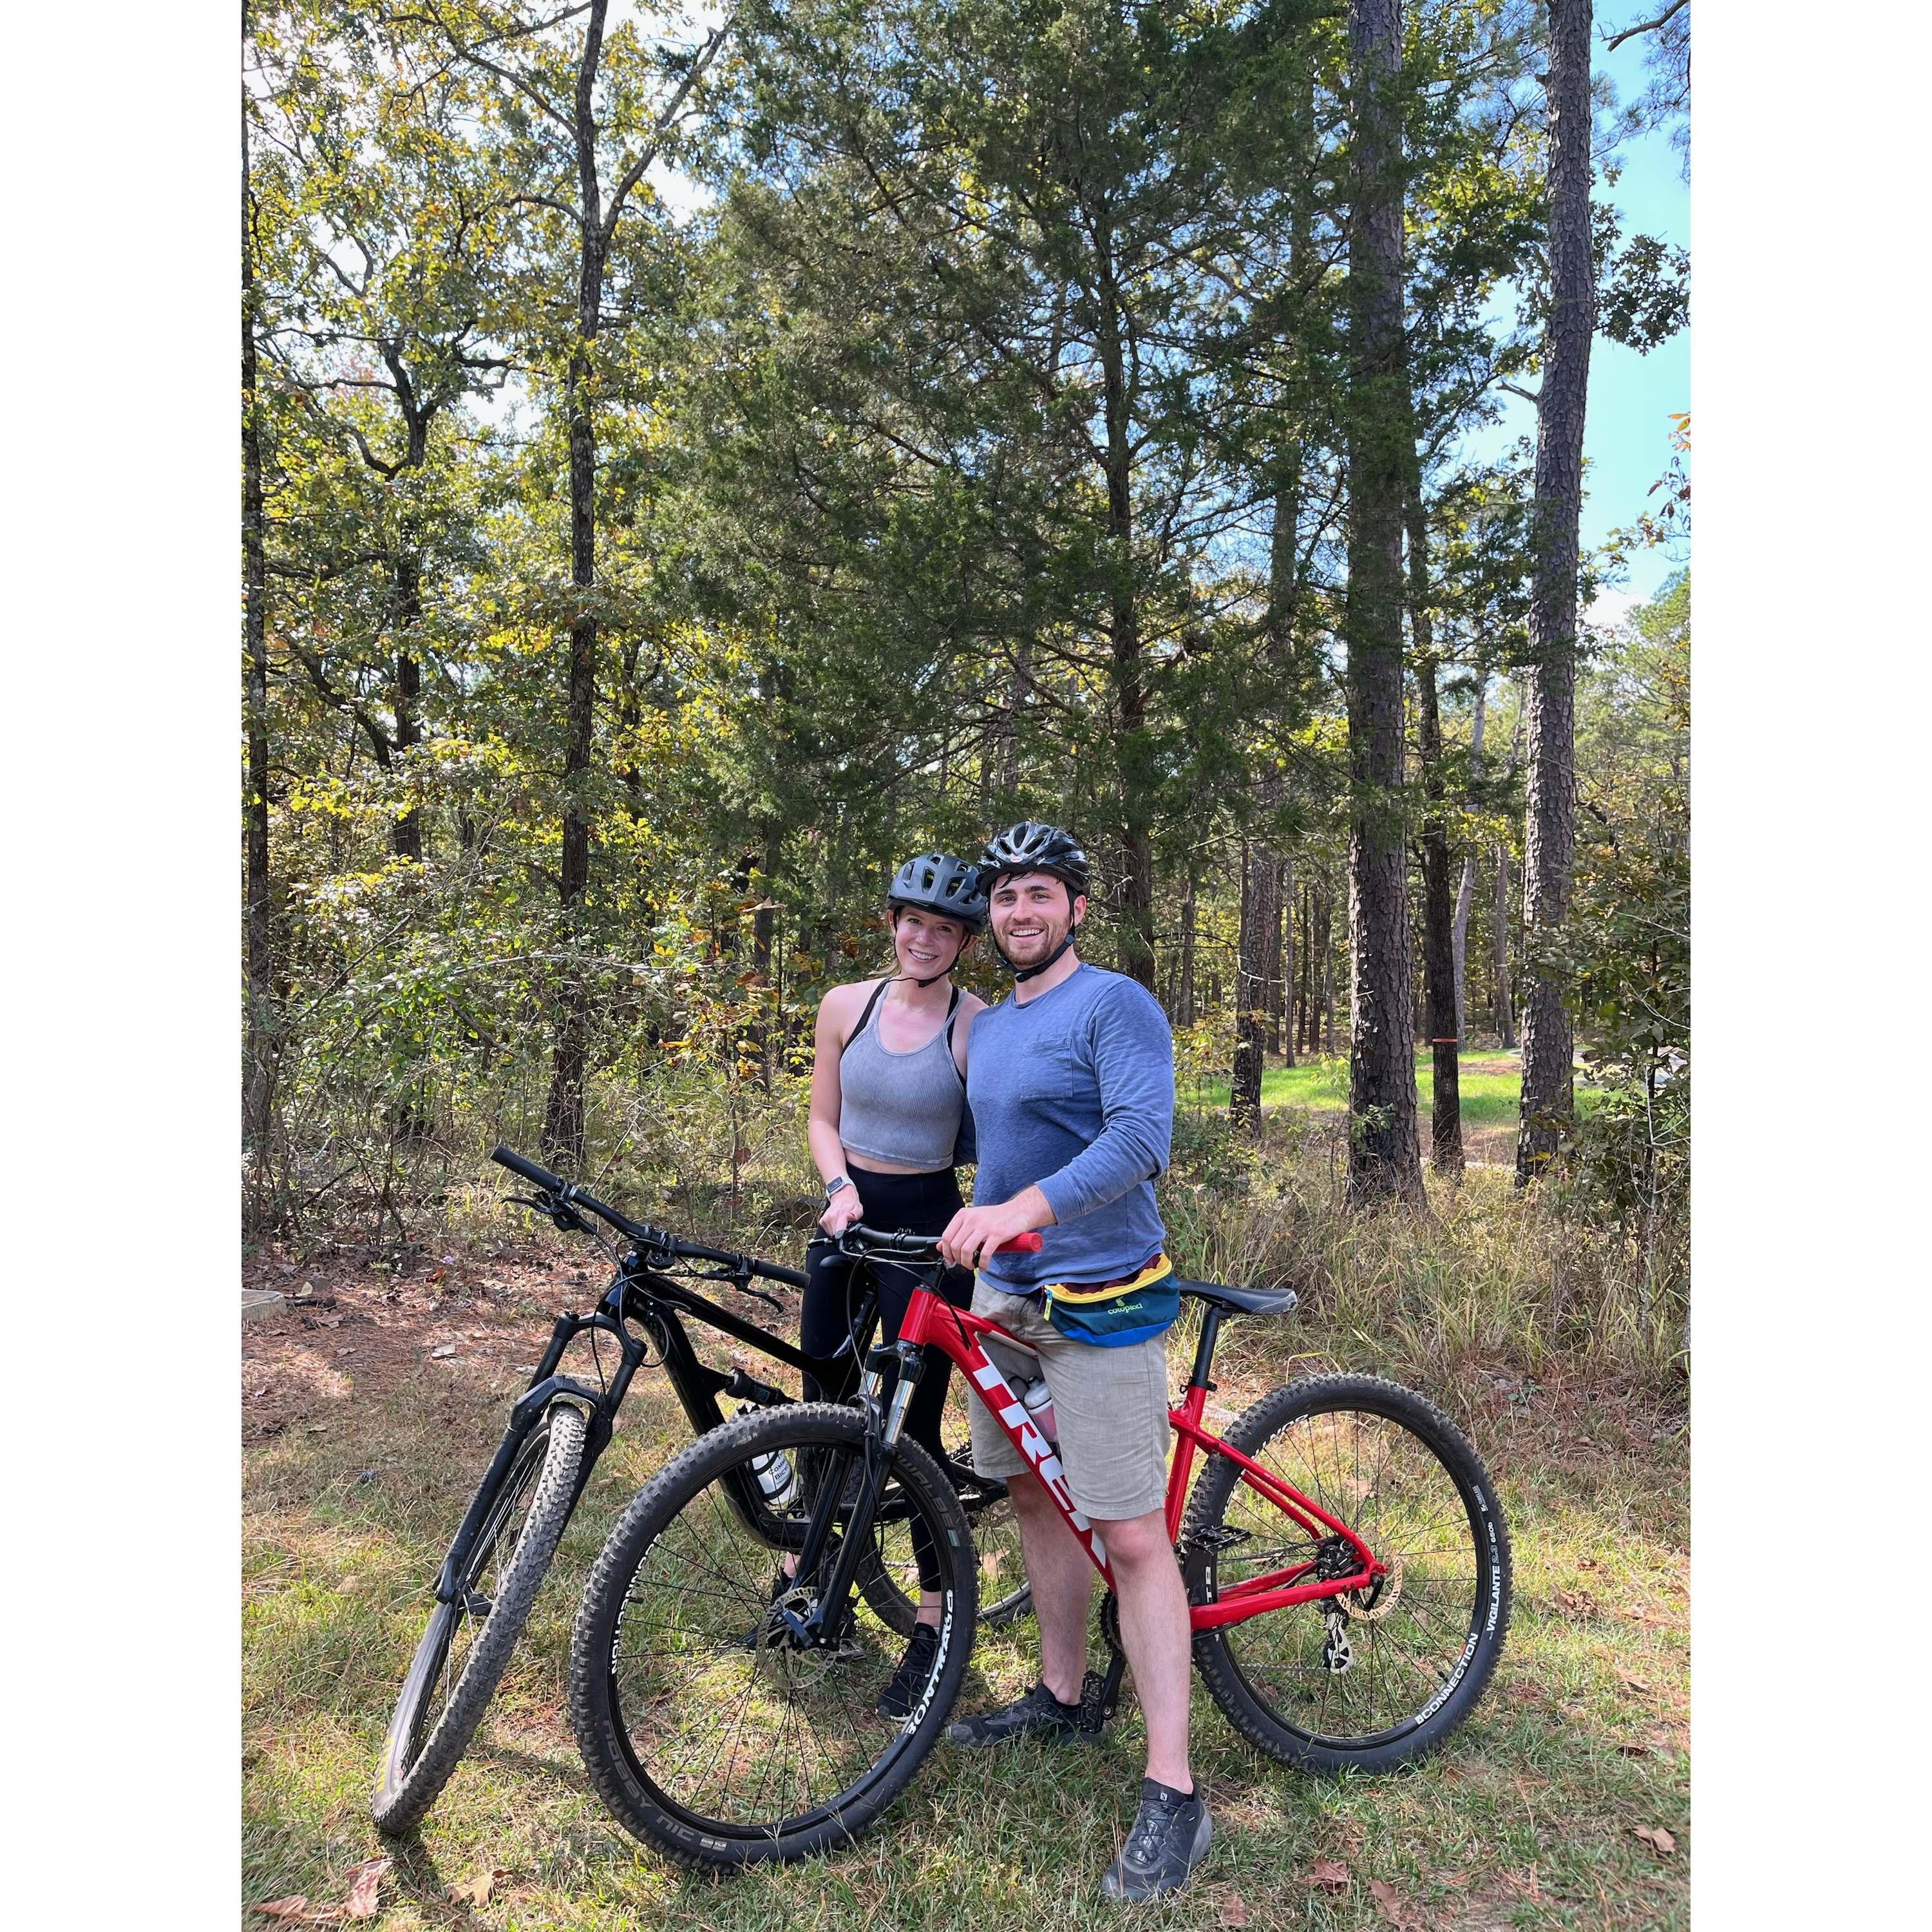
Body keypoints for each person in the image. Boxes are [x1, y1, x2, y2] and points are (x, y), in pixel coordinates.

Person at [936, 820, 1209, 1904]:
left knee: (1133, 1536)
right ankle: (1061, 1694)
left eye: (1039, 894)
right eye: (1003, 898)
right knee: (1033, 1499)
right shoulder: (992, 1028)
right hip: (1006, 1297)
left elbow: (1143, 1139)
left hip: (1104, 1301)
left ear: (1077, 908)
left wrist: (1021, 1209)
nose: (1019, 913)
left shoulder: (1116, 1005)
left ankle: (1174, 1791)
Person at [777, 851, 989, 1718]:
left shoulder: (976, 1025)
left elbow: (1000, 1139)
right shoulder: (845, 1006)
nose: (925, 938)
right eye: (914, 922)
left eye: (944, 929)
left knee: (914, 1431)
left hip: (927, 1229)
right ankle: (803, 1571)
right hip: (844, 1218)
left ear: (963, 941)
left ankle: (934, 1626)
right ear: (891, 923)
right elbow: (823, 1118)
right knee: (820, 1399)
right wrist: (837, 1188)